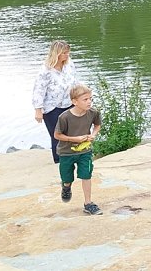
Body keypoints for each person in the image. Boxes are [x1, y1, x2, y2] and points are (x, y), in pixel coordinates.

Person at [54, 83, 102, 215]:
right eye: (85, 99)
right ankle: (66, 187)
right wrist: (74, 139)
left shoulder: (93, 113)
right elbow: (57, 135)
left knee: (86, 175)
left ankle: (88, 203)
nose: (89, 102)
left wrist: (93, 135)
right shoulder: (64, 117)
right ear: (74, 102)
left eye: (90, 98)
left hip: (85, 151)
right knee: (67, 178)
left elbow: (97, 125)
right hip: (66, 153)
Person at [32, 40, 79, 163]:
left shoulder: (69, 65)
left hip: (69, 104)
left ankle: (74, 158)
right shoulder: (45, 70)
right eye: (64, 53)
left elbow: (75, 82)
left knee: (73, 132)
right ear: (56, 53)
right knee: (57, 135)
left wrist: (80, 99)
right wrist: (38, 110)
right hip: (52, 107)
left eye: (68, 52)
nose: (67, 55)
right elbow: (39, 89)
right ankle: (59, 161)